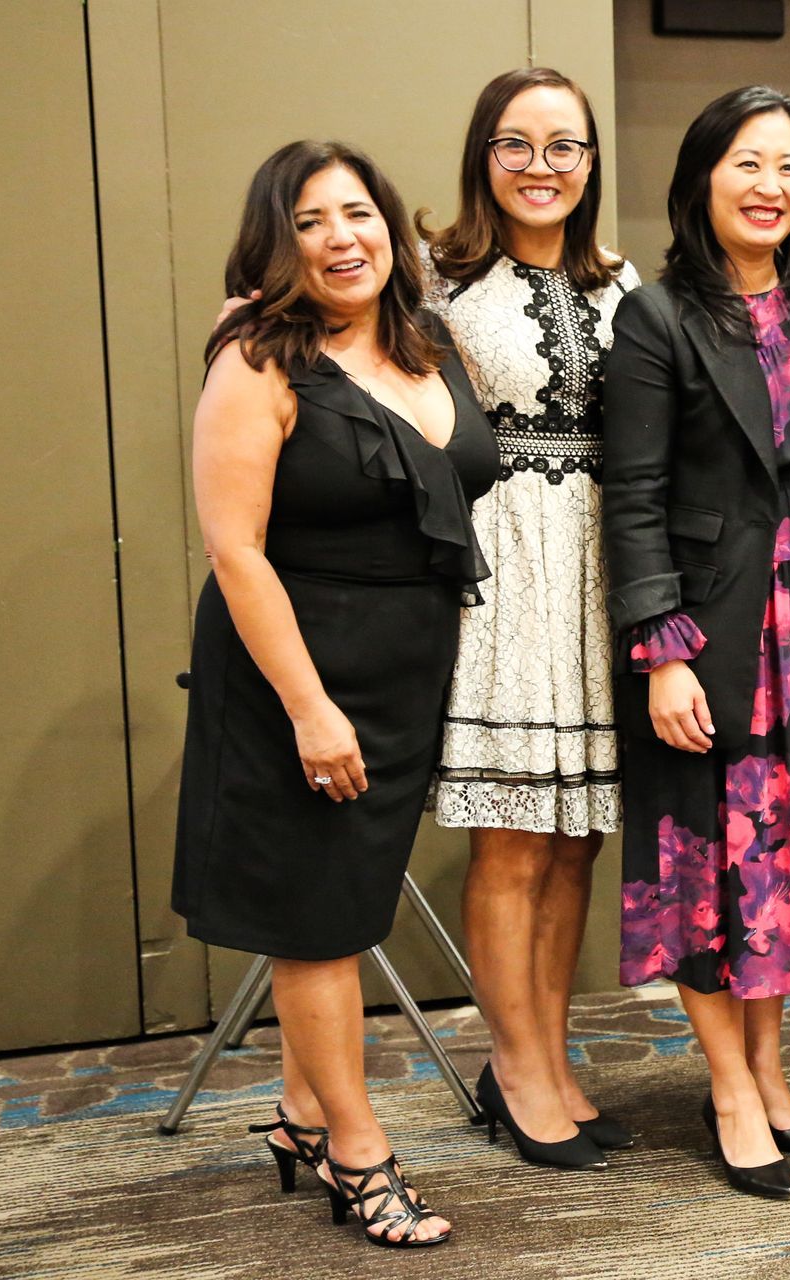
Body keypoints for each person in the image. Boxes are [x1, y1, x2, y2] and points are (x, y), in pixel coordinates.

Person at [174, 140, 499, 1247]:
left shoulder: (425, 339)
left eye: (357, 212)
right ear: (278, 243)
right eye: (309, 221)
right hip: (296, 670)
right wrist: (311, 707)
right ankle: (358, 1153)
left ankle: (302, 1113)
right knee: (319, 920)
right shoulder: (257, 360)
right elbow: (237, 550)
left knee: (349, 898)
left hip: (405, 666)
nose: (341, 238)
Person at [602, 85, 790, 1201]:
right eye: (746, 165)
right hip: (720, 623)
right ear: (701, 178)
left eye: (789, 167)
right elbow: (630, 499)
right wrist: (660, 648)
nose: (770, 187)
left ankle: (771, 1070)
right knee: (714, 863)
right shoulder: (659, 315)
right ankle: (725, 1084)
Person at [420, 66, 639, 1168]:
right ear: (484, 155)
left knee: (575, 837)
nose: (542, 166)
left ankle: (550, 1054)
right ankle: (514, 1066)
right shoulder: (437, 284)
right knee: (511, 837)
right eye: (518, 144)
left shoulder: (623, 283)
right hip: (502, 572)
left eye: (564, 145)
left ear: (592, 162)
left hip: (601, 569)